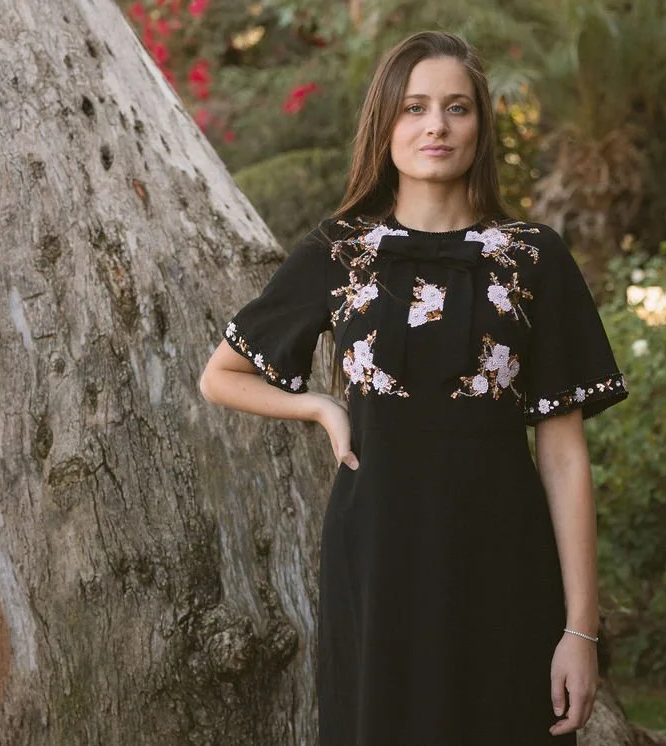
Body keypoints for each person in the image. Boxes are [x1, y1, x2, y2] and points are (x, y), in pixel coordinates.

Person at [200, 30, 628, 745]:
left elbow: (563, 455)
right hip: (375, 563)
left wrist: (579, 630)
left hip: (504, 564)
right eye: (415, 107)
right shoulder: (341, 252)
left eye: (457, 108)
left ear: (480, 126)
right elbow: (221, 375)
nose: (437, 126)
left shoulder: (533, 259)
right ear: (385, 124)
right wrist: (318, 406)